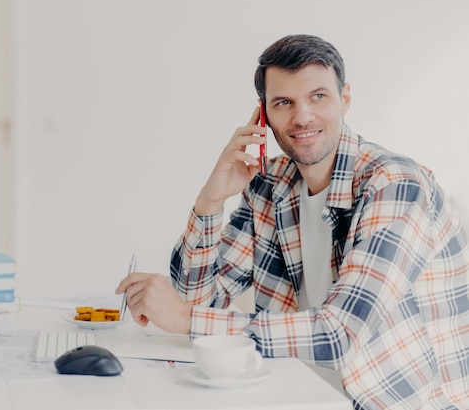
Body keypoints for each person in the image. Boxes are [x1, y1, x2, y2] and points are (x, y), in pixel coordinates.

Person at [115, 34, 469, 409]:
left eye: (318, 96)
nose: (302, 117)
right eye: (284, 103)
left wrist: (186, 318)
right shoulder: (270, 184)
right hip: (298, 394)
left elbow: (339, 334)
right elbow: (200, 302)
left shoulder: (394, 185)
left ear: (345, 98)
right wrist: (211, 200)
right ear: (263, 114)